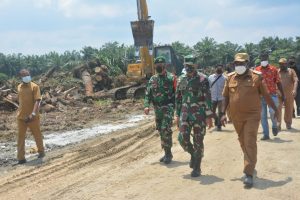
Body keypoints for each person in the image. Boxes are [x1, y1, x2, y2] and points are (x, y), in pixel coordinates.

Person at [221, 53, 278, 188]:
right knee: (243, 142)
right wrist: (222, 113)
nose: (238, 66)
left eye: (241, 63)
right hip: (236, 117)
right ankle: (250, 162)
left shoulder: (256, 77)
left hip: (252, 116)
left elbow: (266, 95)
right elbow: (225, 97)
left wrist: (275, 109)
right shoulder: (229, 78)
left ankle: (249, 173)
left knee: (250, 141)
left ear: (247, 63)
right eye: (236, 63)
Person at [175, 55, 213, 177]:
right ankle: (193, 154)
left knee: (198, 140)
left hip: (199, 115)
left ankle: (197, 166)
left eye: (191, 66)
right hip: (185, 114)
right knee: (182, 138)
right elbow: (178, 98)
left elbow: (208, 98)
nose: (189, 68)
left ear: (196, 65)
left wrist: (209, 116)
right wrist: (177, 114)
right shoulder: (181, 79)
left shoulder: (203, 79)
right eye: (186, 65)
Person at [144, 56, 176, 164]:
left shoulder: (172, 78)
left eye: (160, 65)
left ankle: (168, 154)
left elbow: (177, 94)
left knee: (165, 129)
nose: (158, 66)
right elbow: (148, 93)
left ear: (164, 65)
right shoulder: (153, 79)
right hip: (157, 109)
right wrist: (146, 106)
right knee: (161, 130)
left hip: (168, 107)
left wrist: (177, 109)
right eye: (156, 65)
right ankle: (167, 152)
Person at [17, 69, 45, 164]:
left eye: (28, 74)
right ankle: (21, 158)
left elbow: (37, 101)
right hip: (21, 117)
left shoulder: (35, 87)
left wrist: (32, 114)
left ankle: (41, 151)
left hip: (33, 117)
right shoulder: (19, 87)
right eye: (24, 75)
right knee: (20, 137)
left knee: (37, 135)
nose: (26, 76)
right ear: (21, 77)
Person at [255, 52, 285, 140]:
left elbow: (278, 82)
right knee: (263, 116)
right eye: (262, 58)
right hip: (260, 96)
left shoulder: (273, 69)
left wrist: (283, 94)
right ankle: (266, 134)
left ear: (268, 58)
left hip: (272, 95)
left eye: (265, 58)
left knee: (272, 112)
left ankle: (274, 125)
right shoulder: (256, 70)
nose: (263, 59)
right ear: (260, 59)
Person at [277, 58, 298, 129]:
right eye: (280, 64)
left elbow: (296, 81)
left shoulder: (291, 71)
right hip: (279, 94)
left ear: (286, 64)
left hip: (289, 93)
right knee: (278, 109)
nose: (281, 65)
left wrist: (294, 90)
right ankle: (278, 124)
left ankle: (288, 124)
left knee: (289, 109)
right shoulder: (277, 71)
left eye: (283, 64)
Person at [208, 64, 226, 131]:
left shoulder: (224, 78)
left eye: (221, 68)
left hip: (221, 98)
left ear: (222, 70)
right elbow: (208, 87)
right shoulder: (210, 77)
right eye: (218, 68)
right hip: (213, 97)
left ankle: (219, 125)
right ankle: (216, 120)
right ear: (215, 69)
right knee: (212, 112)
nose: (219, 69)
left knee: (220, 112)